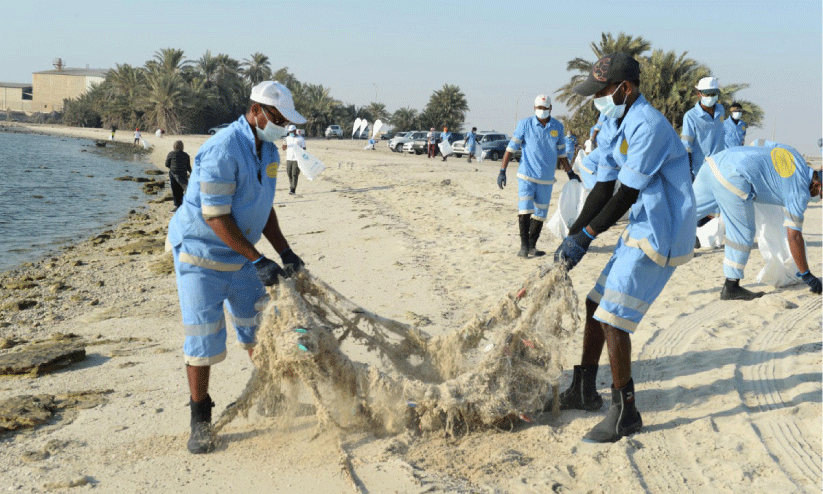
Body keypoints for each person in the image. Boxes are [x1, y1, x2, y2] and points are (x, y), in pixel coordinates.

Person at [554, 53, 696, 443]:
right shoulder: (613, 121)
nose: (596, 99)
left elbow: (626, 194)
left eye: (601, 92)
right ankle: (584, 390)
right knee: (595, 303)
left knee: (613, 316)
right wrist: (573, 236)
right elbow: (602, 187)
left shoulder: (648, 125)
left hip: (662, 230)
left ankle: (625, 412)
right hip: (642, 223)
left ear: (624, 88)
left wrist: (587, 238)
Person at [166, 80, 307, 454]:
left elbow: (263, 206)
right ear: (257, 110)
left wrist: (285, 251)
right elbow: (215, 216)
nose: (283, 126)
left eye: (286, 121)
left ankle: (269, 396)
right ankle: (200, 419)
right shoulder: (222, 149)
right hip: (200, 255)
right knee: (203, 339)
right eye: (279, 119)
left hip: (242, 254)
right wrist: (258, 259)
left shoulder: (269, 150)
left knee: (258, 330)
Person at [692, 141, 822, 299]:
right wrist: (806, 274)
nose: (818, 199)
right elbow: (794, 236)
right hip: (735, 177)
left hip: (715, 162)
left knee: (686, 213)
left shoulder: (794, 155)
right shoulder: (799, 192)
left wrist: (755, 166)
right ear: (816, 185)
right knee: (743, 232)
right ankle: (731, 286)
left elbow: (758, 142)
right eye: (821, 195)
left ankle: (663, 247)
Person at [497, 94, 571, 258]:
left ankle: (532, 245)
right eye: (539, 108)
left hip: (546, 179)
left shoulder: (557, 127)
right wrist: (502, 171)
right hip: (527, 176)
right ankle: (523, 246)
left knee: (540, 213)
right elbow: (510, 149)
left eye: (545, 108)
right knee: (525, 210)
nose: (542, 110)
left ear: (550, 108)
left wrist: (570, 172)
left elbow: (562, 154)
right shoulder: (525, 124)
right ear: (534, 108)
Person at [681, 76, 726, 178]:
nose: (710, 96)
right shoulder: (690, 116)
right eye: (707, 93)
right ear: (699, 94)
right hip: (700, 171)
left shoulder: (721, 110)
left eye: (713, 93)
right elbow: (686, 146)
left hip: (720, 168)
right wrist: (688, 172)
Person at [165, 140, 191, 210]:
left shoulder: (171, 154)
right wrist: (192, 174)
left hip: (173, 174)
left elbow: (166, 164)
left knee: (175, 190)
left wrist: (172, 167)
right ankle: (183, 203)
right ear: (182, 147)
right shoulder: (186, 155)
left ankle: (177, 205)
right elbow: (188, 167)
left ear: (174, 146)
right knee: (182, 189)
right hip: (183, 174)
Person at [282, 124, 301, 194]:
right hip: (289, 159)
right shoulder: (287, 138)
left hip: (297, 159)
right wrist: (284, 144)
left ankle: (293, 189)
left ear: (295, 131)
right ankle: (291, 187)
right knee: (289, 174)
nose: (291, 133)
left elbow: (304, 149)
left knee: (294, 174)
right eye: (290, 131)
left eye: (292, 131)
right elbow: (284, 149)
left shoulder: (300, 139)